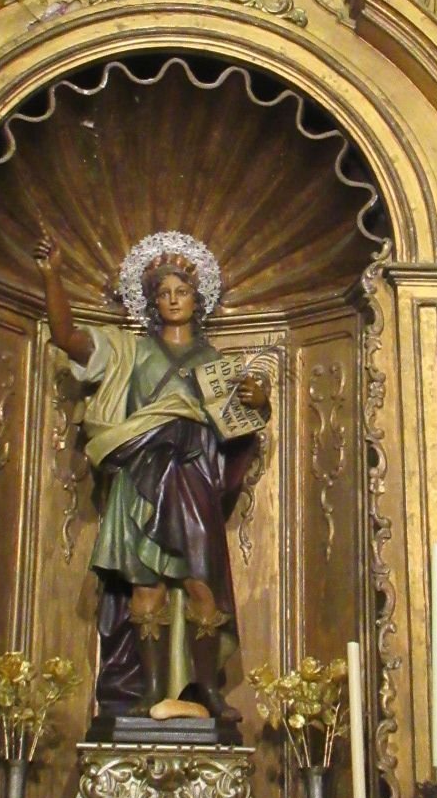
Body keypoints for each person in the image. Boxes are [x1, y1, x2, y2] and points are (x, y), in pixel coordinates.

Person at [35, 228, 270, 725]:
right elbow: (66, 337)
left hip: (192, 480)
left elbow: (237, 431)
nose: (172, 300)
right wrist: (52, 275)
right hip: (139, 474)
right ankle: (144, 696)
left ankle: (207, 690)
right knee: (147, 589)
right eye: (163, 294)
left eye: (181, 291)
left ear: (196, 297)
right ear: (151, 303)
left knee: (203, 587)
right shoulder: (128, 352)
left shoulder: (216, 364)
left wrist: (259, 402)